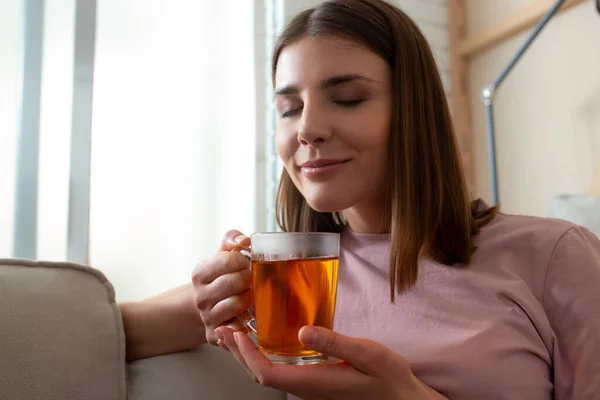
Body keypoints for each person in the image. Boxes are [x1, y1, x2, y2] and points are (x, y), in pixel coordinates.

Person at [119, 0, 600, 399]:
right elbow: (95, 330)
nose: (307, 128)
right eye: (289, 108)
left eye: (347, 98)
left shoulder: (555, 256)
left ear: (414, 111)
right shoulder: (284, 277)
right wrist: (208, 299)